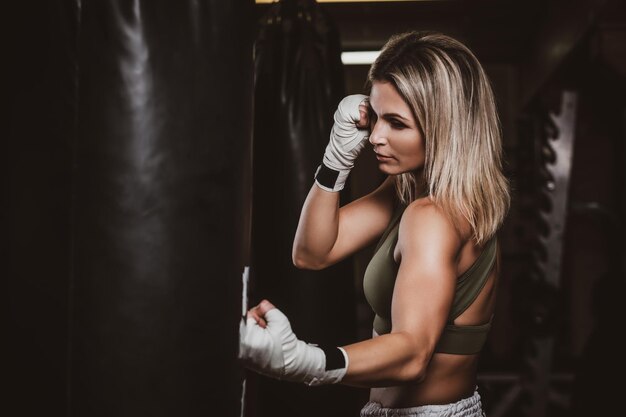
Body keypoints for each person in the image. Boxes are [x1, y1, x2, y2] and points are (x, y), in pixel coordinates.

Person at [239, 31, 510, 417]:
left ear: (444, 127)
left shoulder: (431, 216)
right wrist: (337, 157)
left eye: (397, 123)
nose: (376, 137)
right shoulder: (408, 195)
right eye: (376, 117)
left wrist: (305, 360)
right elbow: (312, 253)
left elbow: (413, 355)